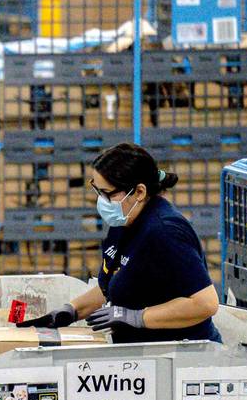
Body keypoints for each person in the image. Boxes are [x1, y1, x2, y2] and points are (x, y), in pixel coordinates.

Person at [18, 143, 222, 343]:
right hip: (140, 358)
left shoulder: (165, 233)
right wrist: (71, 311)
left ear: (139, 192)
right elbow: (116, 283)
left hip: (183, 359)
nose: (102, 201)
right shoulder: (124, 220)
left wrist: (138, 317)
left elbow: (205, 304)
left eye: (108, 194)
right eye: (98, 191)